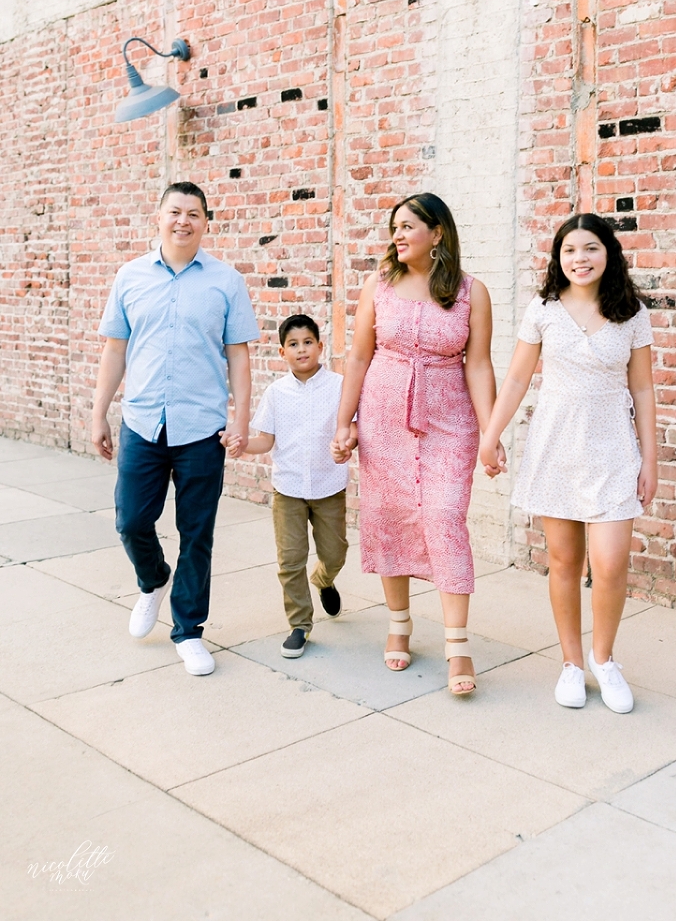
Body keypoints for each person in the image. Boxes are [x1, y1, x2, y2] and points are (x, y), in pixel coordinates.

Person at [480, 212, 657, 713]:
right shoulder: (543, 308)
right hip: (555, 444)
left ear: (609, 254)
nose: (580, 259)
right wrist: (490, 437)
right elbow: (515, 380)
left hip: (613, 448)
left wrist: (651, 459)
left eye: (590, 248)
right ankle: (572, 664)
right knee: (563, 561)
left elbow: (642, 388)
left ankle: (604, 659)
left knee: (611, 563)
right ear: (559, 259)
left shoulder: (631, 312)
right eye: (570, 251)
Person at [332, 193, 499, 696]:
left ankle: (456, 643)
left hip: (450, 418)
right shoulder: (378, 286)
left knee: (445, 517)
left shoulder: (472, 292)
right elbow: (358, 357)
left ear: (438, 232)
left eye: (408, 226)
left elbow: (480, 364)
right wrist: (345, 423)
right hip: (384, 416)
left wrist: (491, 434)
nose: (398, 236)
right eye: (394, 228)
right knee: (390, 517)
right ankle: (399, 623)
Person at [92, 181, 259, 676]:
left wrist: (242, 417)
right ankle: (153, 578)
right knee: (131, 521)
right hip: (143, 421)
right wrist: (99, 411)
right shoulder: (130, 277)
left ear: (207, 222)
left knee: (197, 532)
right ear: (159, 217)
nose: (183, 221)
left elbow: (239, 354)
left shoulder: (226, 282)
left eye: (194, 213)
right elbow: (115, 349)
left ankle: (188, 630)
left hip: (202, 427)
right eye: (175, 212)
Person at [224, 314, 352, 660]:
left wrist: (347, 443)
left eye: (307, 342)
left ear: (320, 347)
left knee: (335, 552)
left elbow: (352, 428)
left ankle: (324, 580)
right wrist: (241, 445)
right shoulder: (276, 393)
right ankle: (300, 625)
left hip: (329, 487)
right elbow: (265, 440)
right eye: (293, 345)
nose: (301, 350)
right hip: (289, 490)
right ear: (283, 353)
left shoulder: (340, 386)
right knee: (290, 560)